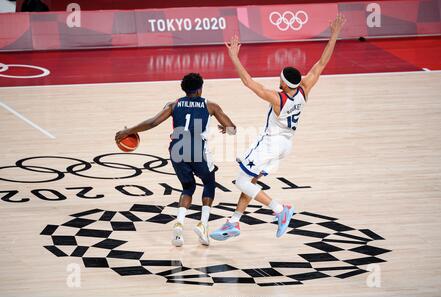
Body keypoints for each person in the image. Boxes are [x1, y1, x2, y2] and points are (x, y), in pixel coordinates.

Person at [210, 14, 346, 241]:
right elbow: (322, 63)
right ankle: (233, 222)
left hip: (270, 143)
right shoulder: (305, 89)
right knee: (250, 180)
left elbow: (248, 82)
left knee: (242, 181)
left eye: (280, 78)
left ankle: (280, 210)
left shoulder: (277, 98)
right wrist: (334, 35)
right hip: (285, 145)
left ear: (283, 83)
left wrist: (233, 56)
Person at [116, 73, 236, 247]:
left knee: (188, 187)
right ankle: (203, 224)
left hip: (176, 150)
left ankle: (179, 226)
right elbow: (232, 129)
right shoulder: (211, 106)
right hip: (197, 150)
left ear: (184, 89)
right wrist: (227, 129)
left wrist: (129, 131)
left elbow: (152, 122)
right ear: (201, 89)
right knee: (209, 183)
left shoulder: (174, 104)